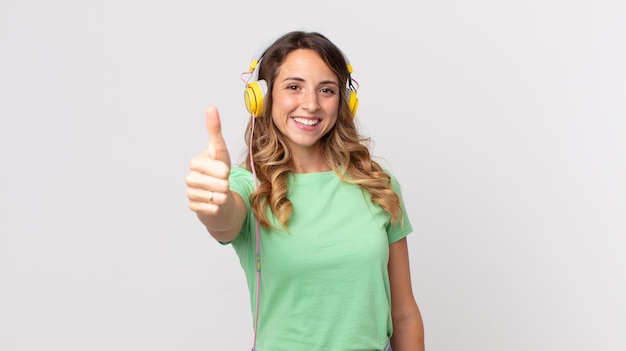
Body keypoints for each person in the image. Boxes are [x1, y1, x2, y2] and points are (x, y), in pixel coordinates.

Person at [185, 30, 425, 351]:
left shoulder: (378, 185)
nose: (310, 104)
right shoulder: (249, 186)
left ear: (344, 101)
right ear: (262, 97)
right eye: (294, 87)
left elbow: (404, 313)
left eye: (326, 90)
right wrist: (211, 202)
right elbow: (224, 219)